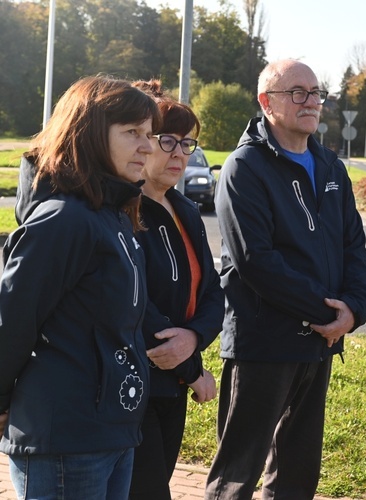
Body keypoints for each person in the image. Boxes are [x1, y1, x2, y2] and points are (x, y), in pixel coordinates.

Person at [203, 59, 366, 499]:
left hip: (320, 341)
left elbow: (353, 244)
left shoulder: (331, 167)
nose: (311, 101)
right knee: (237, 474)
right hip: (263, 343)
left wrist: (353, 310)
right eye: (298, 92)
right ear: (266, 102)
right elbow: (255, 260)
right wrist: (325, 311)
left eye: (317, 92)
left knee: (298, 473)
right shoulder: (245, 168)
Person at [0, 75, 160, 499]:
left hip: (111, 430)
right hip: (65, 440)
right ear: (88, 135)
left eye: (149, 134)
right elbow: (13, 321)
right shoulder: (64, 221)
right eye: (132, 133)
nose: (148, 146)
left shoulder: (114, 217)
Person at [128, 80, 223, 500]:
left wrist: (196, 339)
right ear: (144, 142)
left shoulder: (184, 208)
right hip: (137, 382)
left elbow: (213, 292)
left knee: (159, 482)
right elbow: (134, 303)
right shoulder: (123, 209)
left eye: (187, 144)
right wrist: (192, 368)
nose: (179, 154)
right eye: (168, 140)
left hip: (176, 384)